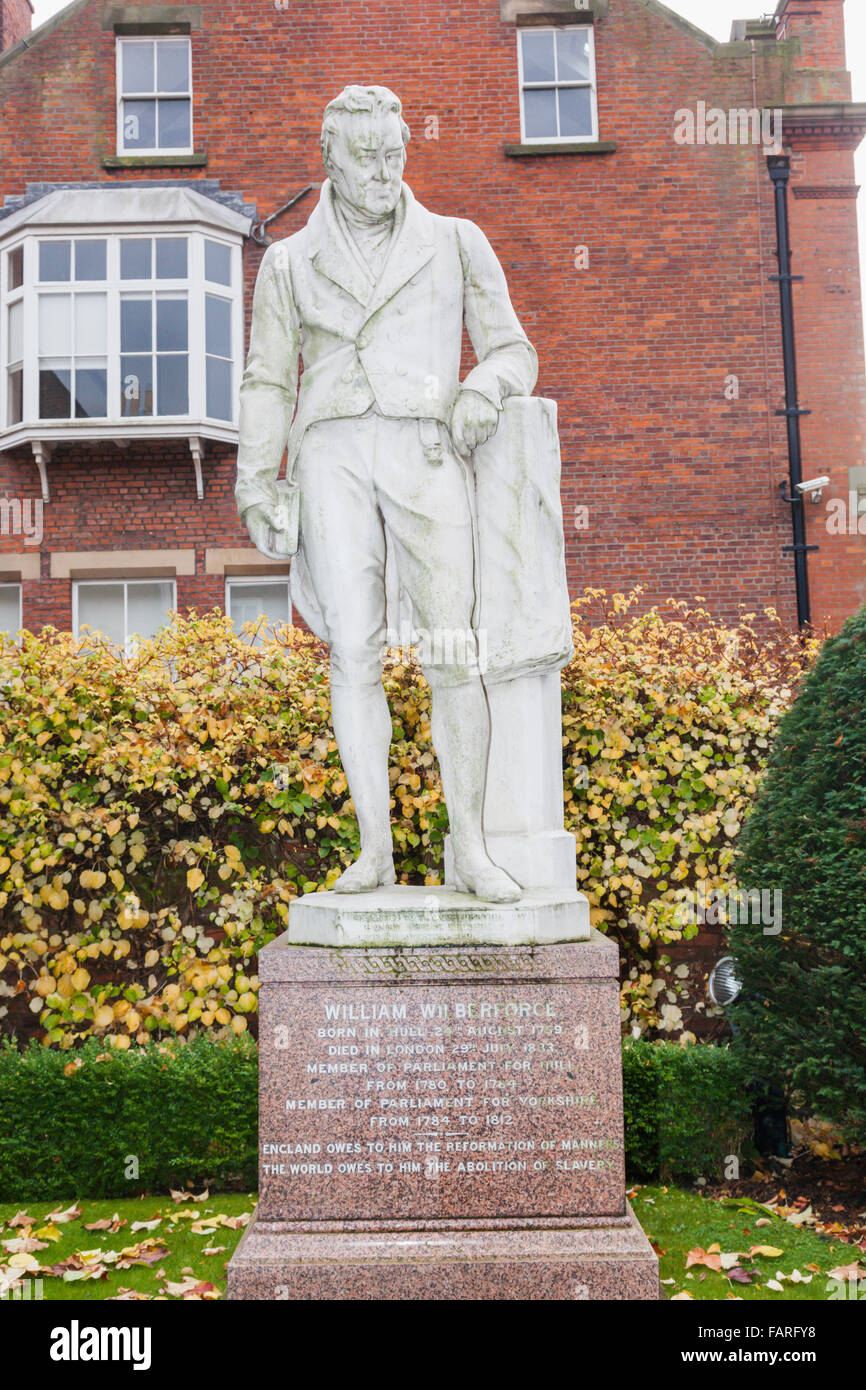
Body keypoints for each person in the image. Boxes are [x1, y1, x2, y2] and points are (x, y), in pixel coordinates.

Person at [236, 85, 538, 902]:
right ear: (328, 158)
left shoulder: (455, 241)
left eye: (392, 154)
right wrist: (256, 480)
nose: (379, 171)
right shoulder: (290, 261)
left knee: (451, 652)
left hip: (425, 449)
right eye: (362, 157)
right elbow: (267, 380)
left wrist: (482, 389)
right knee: (352, 655)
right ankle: (374, 852)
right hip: (331, 454)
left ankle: (469, 848)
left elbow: (515, 351)